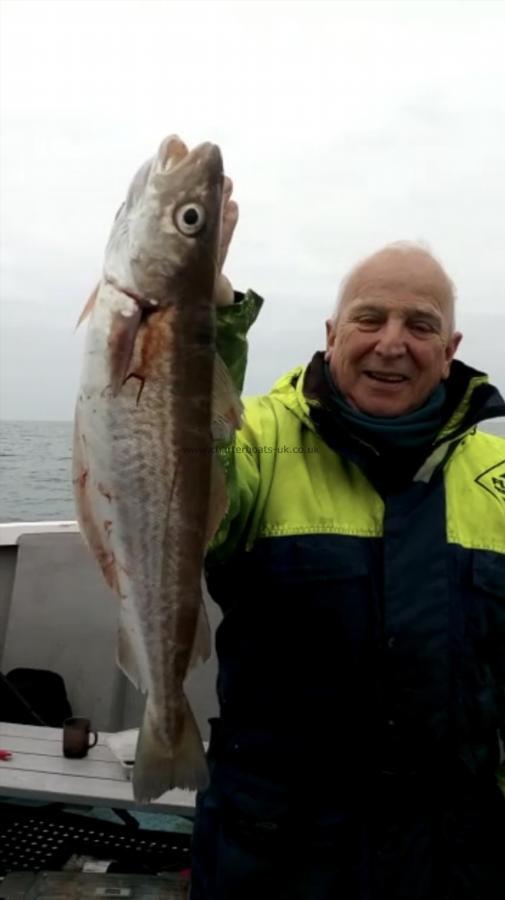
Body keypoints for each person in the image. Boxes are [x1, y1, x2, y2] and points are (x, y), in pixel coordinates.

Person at [190, 183, 505, 899]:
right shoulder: (259, 441)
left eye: (419, 324)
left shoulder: (499, 478)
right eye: (369, 318)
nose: (391, 343)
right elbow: (182, 463)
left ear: (450, 348)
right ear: (331, 334)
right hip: (276, 858)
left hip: (457, 858)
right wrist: (195, 314)